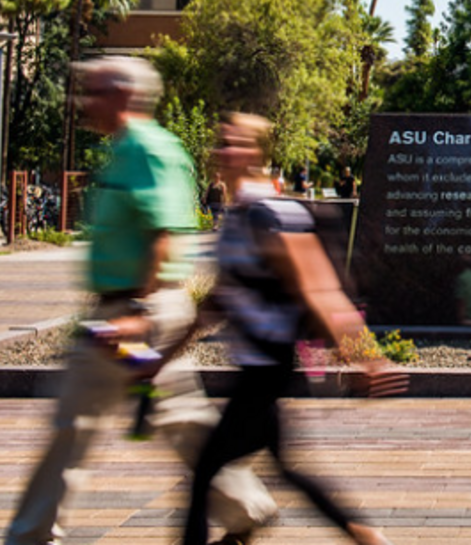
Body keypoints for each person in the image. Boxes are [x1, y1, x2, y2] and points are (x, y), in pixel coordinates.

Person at [5, 57, 275, 545]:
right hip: (125, 315)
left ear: (124, 96)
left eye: (94, 91)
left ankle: (30, 536)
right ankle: (246, 506)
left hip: (133, 315)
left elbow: (164, 233)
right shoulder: (126, 149)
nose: (83, 102)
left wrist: (137, 311)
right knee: (175, 416)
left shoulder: (148, 150)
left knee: (78, 422)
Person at [181, 113, 401, 545]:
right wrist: (164, 352)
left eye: (233, 142)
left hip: (268, 364)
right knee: (287, 469)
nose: (221, 151)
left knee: (205, 470)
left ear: (256, 153)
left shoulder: (272, 214)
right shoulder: (240, 214)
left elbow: (319, 288)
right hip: (256, 364)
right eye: (219, 142)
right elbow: (218, 300)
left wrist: (366, 355)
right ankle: (366, 536)